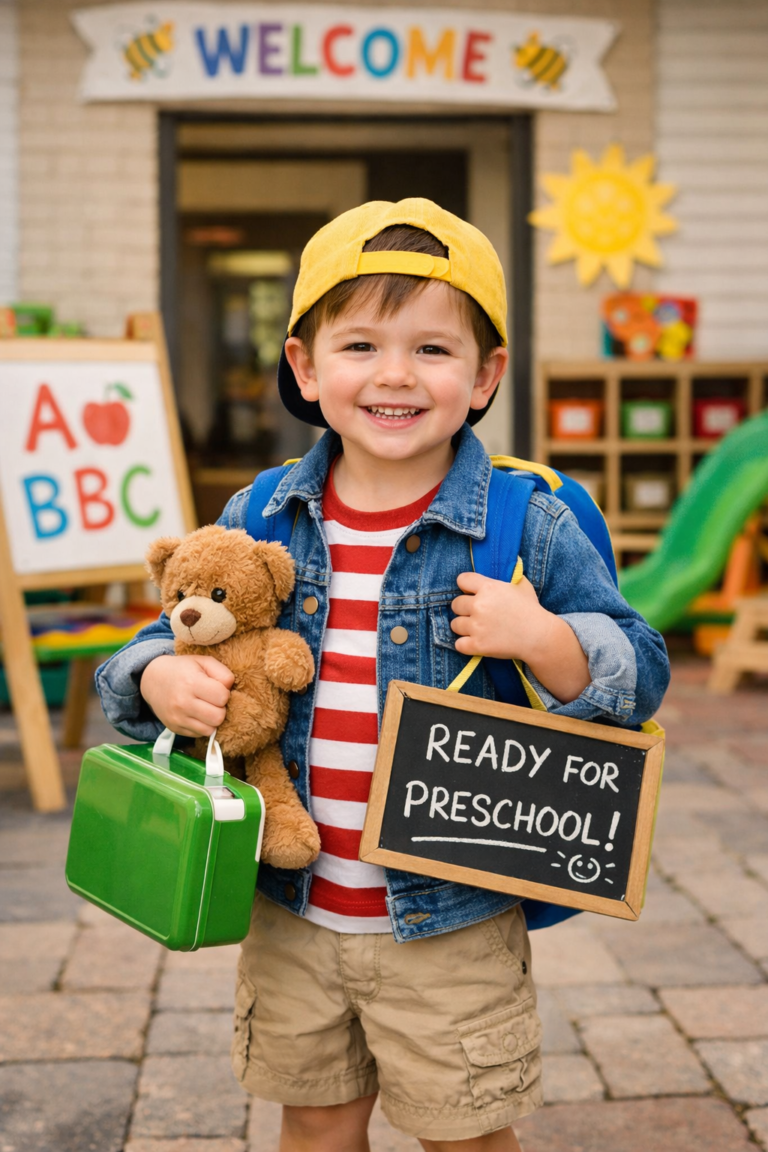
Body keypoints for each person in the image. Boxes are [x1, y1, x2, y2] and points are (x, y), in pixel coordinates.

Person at [96, 199, 670, 1152]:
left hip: (453, 917)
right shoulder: (260, 515)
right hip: (293, 906)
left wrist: (544, 637)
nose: (396, 374)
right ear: (306, 366)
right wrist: (159, 678)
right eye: (360, 344)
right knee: (316, 1125)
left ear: (485, 375)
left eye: (433, 351)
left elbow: (639, 670)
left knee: (465, 1134)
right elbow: (160, 641)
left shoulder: (529, 522)